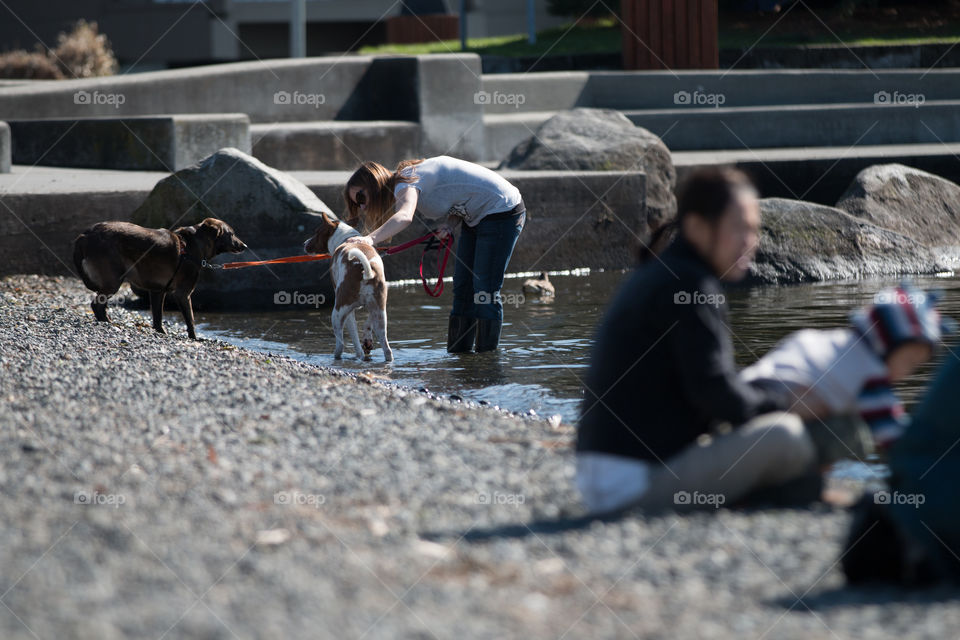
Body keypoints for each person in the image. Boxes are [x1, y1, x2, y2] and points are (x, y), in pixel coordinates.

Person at [576, 167, 817, 515]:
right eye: (739, 229)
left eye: (754, 230)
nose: (751, 242)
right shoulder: (691, 285)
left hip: (605, 476)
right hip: (630, 488)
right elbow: (716, 394)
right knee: (786, 435)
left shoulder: (662, 272)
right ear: (698, 228)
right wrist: (786, 403)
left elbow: (708, 390)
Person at [740, 284, 952, 465]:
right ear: (885, 345)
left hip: (741, 398)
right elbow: (894, 437)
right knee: (854, 433)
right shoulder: (871, 373)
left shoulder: (824, 339)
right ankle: (807, 484)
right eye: (909, 361)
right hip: (770, 420)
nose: (909, 372)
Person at [342, 157, 526, 353]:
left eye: (361, 198)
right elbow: (462, 194)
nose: (362, 207)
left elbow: (404, 216)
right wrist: (450, 225)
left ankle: (487, 364)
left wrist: (369, 239)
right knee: (463, 288)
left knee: (484, 290)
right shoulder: (407, 180)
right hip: (477, 217)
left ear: (374, 184)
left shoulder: (405, 182)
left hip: (503, 211)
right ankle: (459, 358)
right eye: (357, 204)